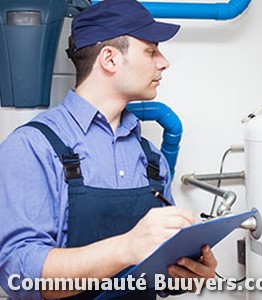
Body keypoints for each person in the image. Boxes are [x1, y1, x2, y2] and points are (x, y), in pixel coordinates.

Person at [0, 0, 217, 299]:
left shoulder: (151, 158)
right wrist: (127, 247)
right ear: (110, 60)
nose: (163, 62)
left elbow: (155, 269)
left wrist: (183, 274)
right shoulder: (33, 146)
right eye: (151, 50)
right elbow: (19, 274)